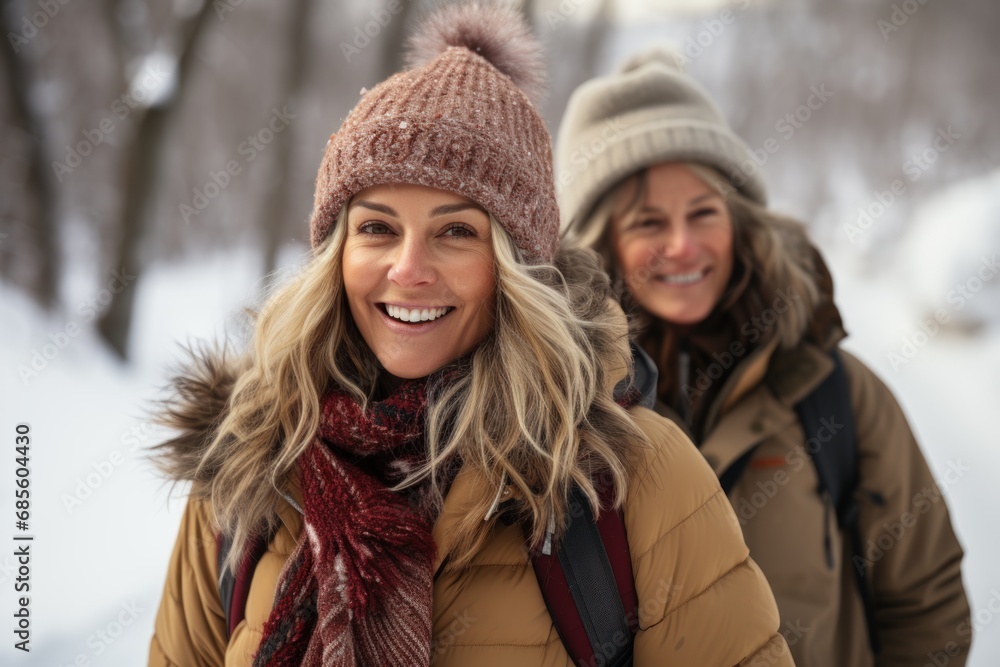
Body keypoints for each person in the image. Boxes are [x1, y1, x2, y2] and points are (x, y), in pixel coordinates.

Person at [146, 6, 795, 666]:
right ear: (335, 253)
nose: (408, 269)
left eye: (456, 232)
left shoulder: (635, 483)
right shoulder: (249, 468)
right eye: (376, 228)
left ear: (518, 269)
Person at [556, 48, 972, 667]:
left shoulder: (838, 395)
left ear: (739, 218)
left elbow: (926, 607)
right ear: (599, 246)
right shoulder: (556, 418)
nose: (684, 245)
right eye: (648, 222)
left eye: (704, 212)